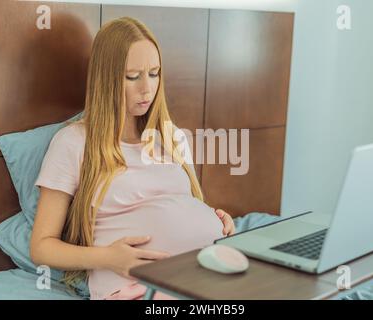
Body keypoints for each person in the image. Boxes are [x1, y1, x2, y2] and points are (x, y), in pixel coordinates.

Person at [30, 17, 235, 300]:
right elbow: (42, 246)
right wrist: (108, 258)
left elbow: (180, 207)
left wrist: (216, 222)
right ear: (107, 78)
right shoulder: (74, 142)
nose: (147, 89)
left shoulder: (173, 137)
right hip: (132, 286)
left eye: (154, 73)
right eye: (132, 76)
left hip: (201, 272)